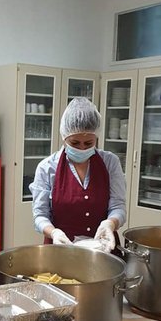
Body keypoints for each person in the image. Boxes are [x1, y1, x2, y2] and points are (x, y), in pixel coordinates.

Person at [29, 97, 126, 254]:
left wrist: (110, 223)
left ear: (96, 137)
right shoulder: (47, 168)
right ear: (64, 136)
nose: (82, 148)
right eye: (75, 143)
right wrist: (54, 232)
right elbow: (40, 215)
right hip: (61, 252)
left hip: (103, 252)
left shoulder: (110, 163)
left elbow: (118, 206)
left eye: (88, 143)